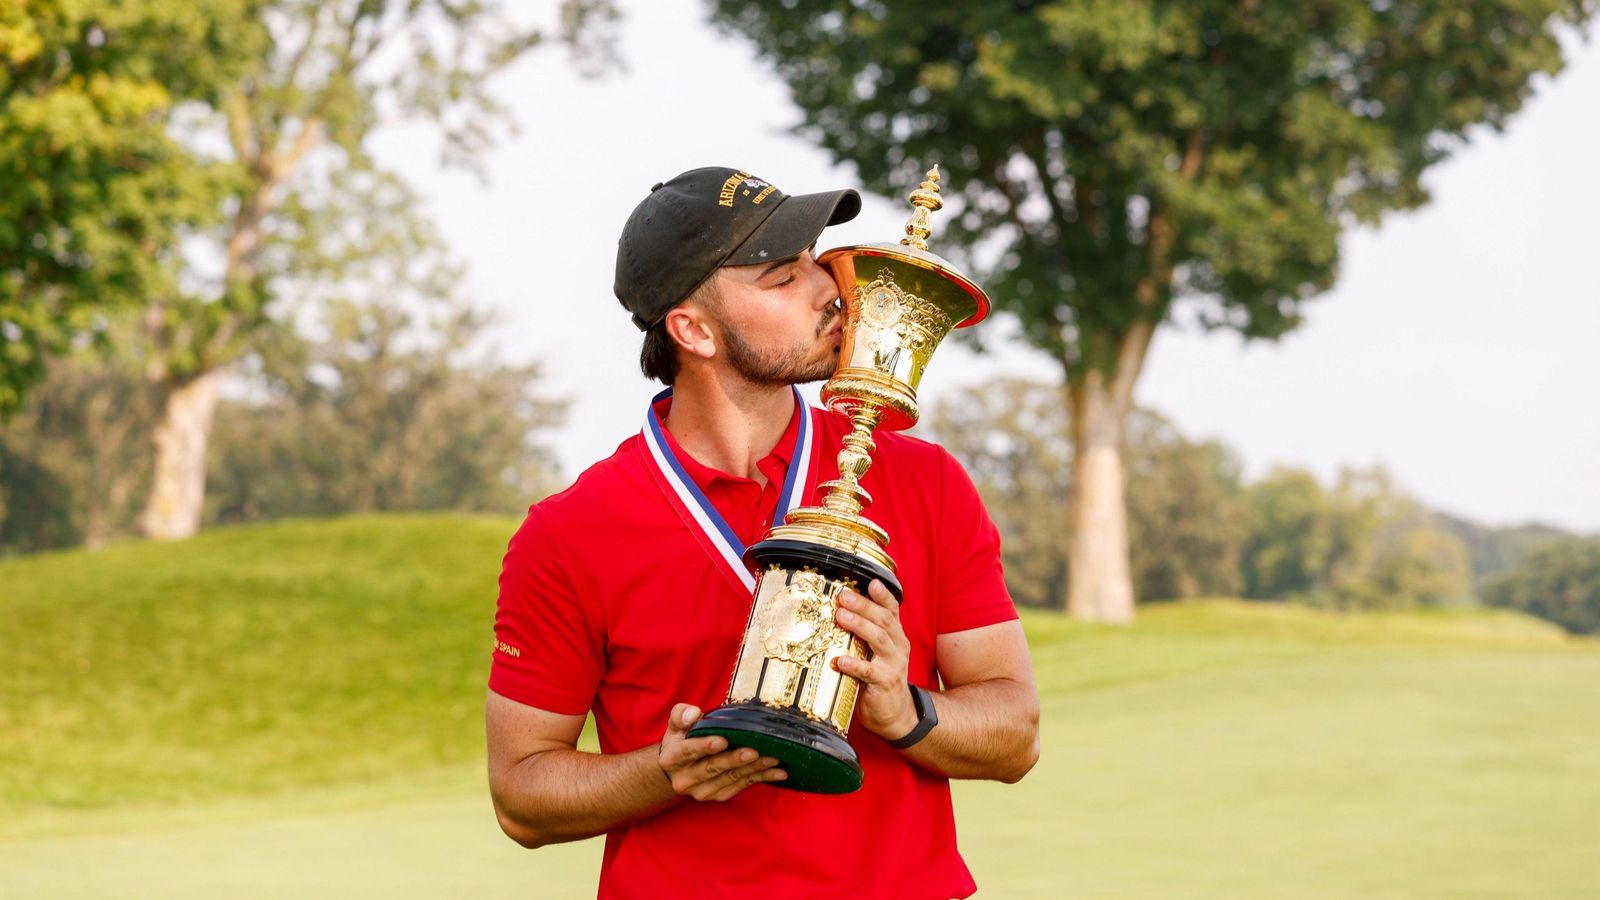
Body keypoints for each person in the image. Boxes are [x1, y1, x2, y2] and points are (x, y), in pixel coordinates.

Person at [487, 166, 1039, 899]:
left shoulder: (926, 480)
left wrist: (908, 710)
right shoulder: (570, 532)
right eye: (784, 277)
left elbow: (1016, 735)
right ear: (693, 330)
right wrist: (665, 770)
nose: (831, 287)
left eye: (816, 259)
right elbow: (522, 795)